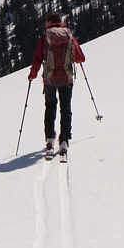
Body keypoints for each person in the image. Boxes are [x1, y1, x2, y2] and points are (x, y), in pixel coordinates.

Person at [28, 12, 85, 156]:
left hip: (49, 79)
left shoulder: (44, 39)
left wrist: (32, 75)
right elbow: (80, 58)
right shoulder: (69, 36)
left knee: (50, 107)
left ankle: (49, 138)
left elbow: (37, 59)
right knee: (65, 109)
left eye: (46, 21)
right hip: (66, 79)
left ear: (50, 22)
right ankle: (64, 139)